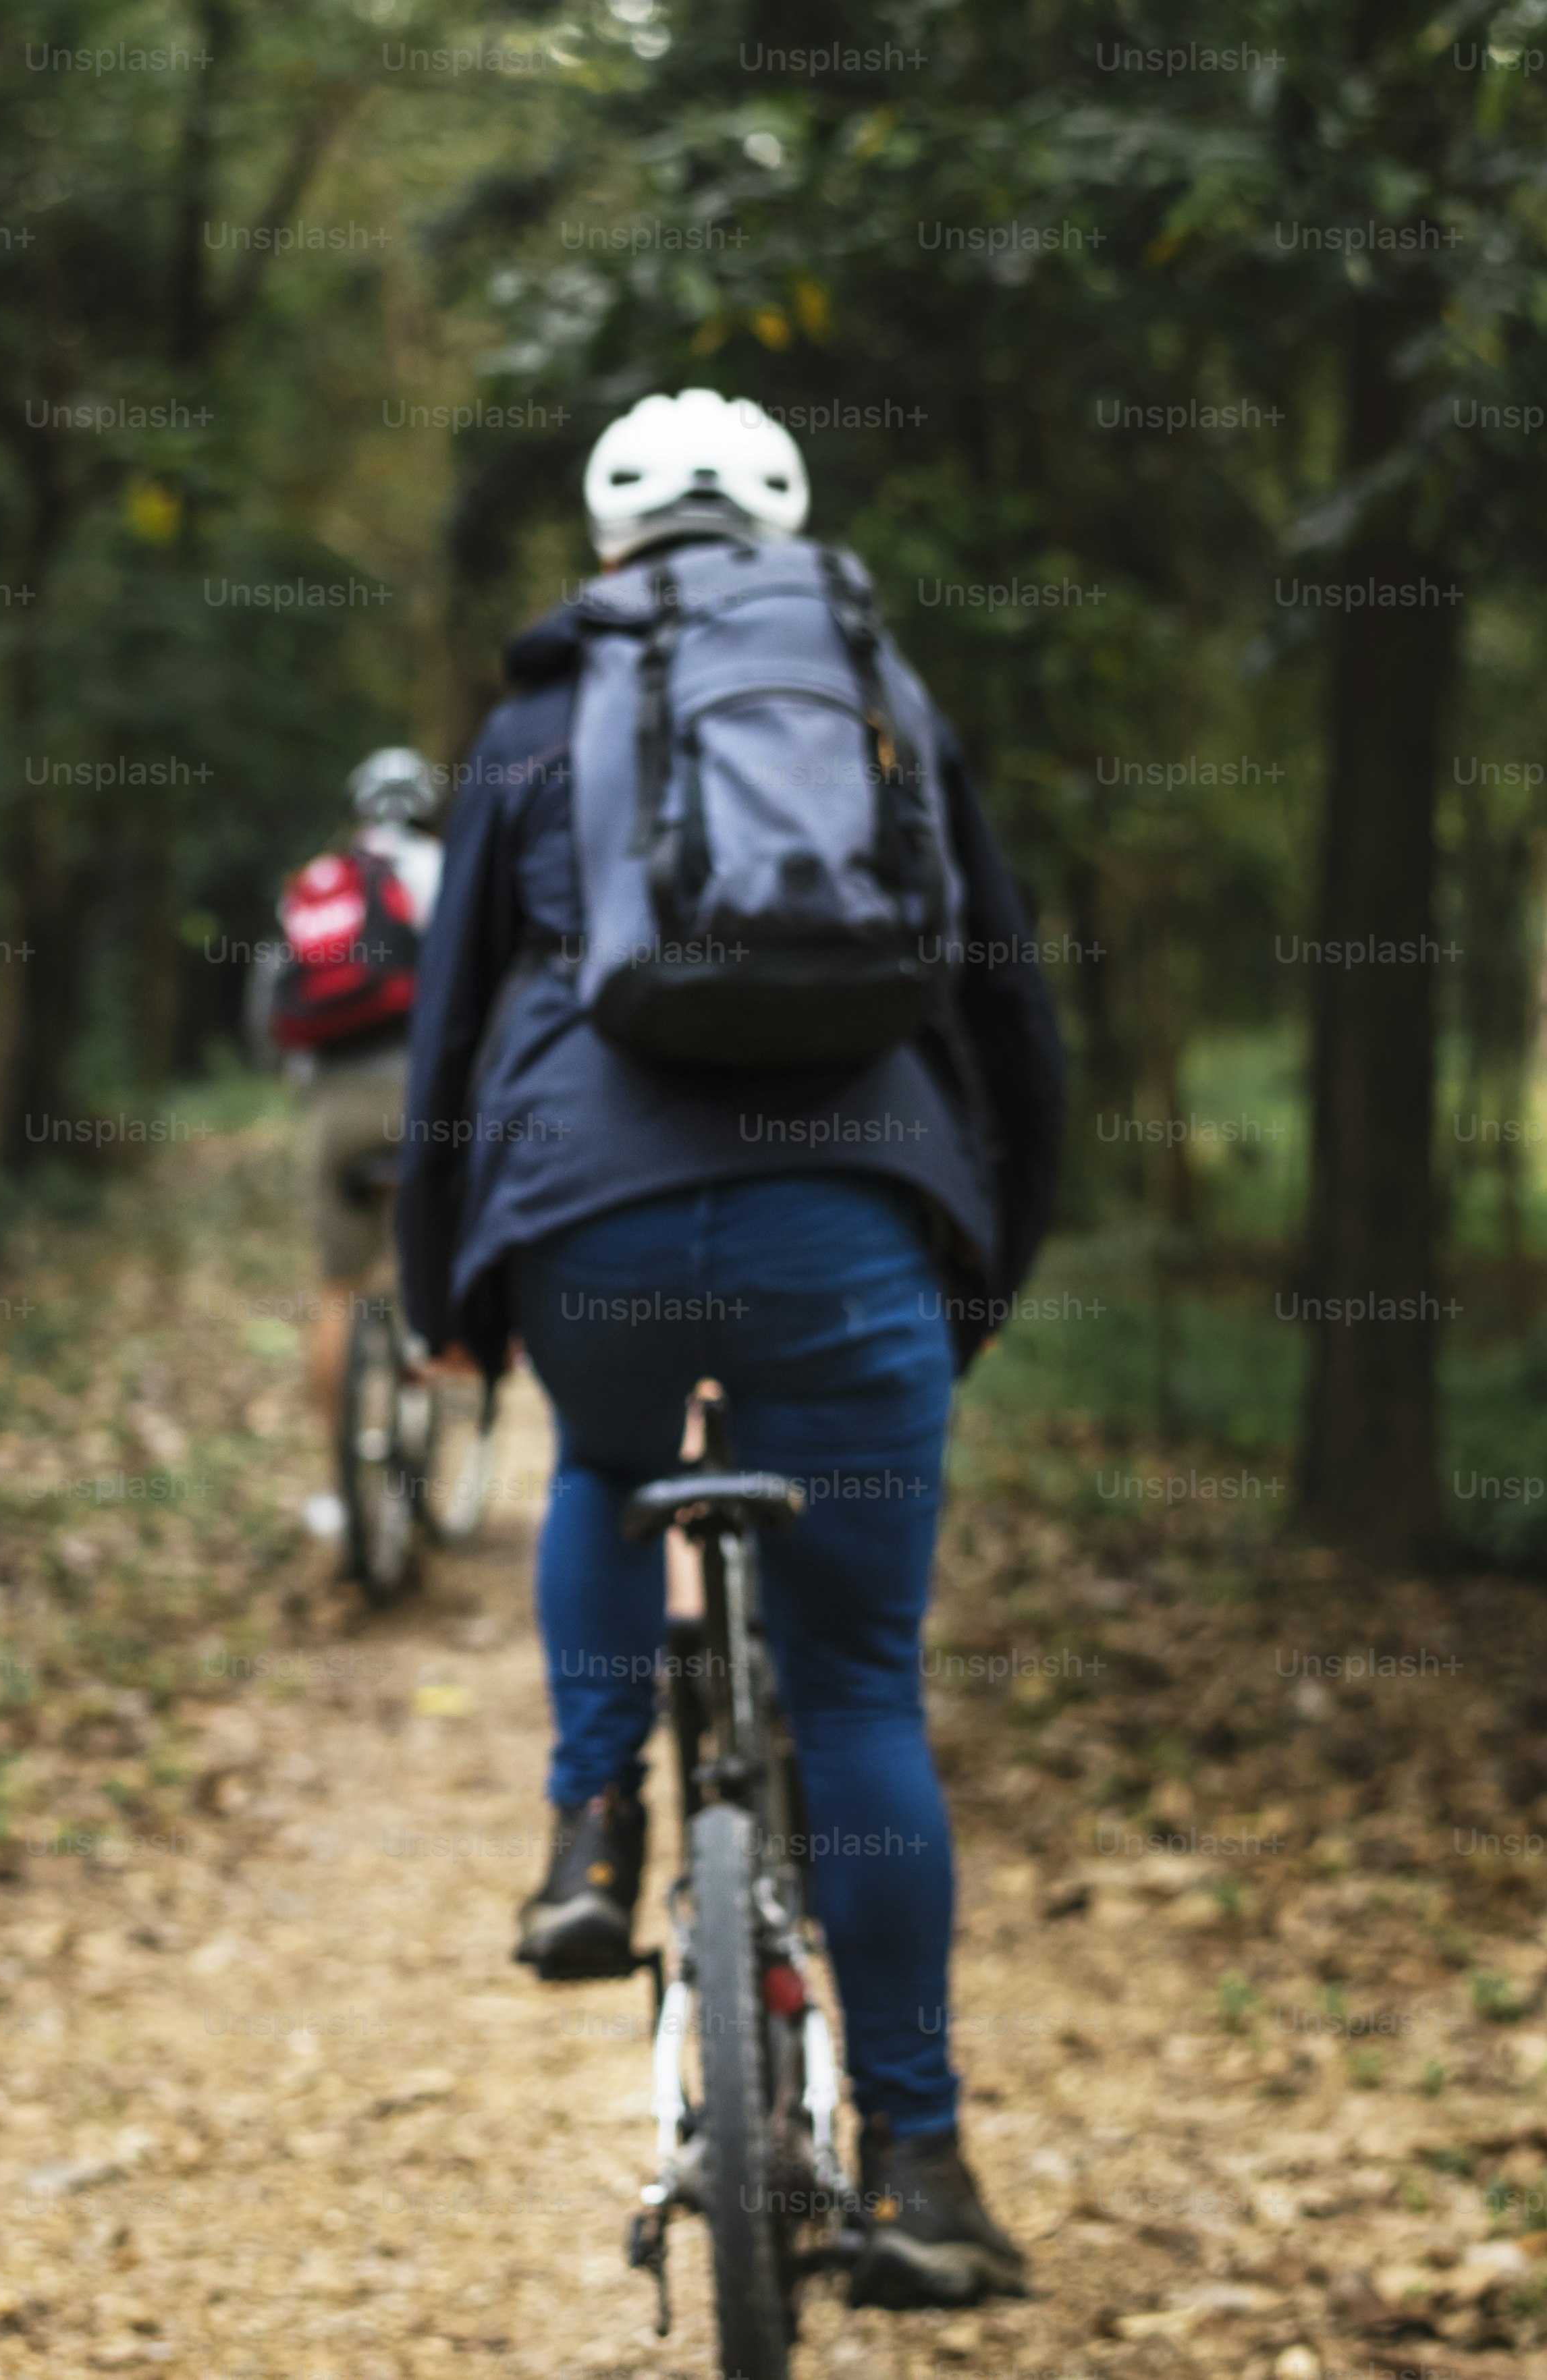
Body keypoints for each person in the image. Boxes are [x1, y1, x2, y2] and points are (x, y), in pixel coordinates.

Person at [394, 389, 1065, 2308]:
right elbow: (1008, 1013)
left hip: (586, 1214)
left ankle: (592, 1824)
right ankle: (922, 2163)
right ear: (783, 531)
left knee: (607, 1464)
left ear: (613, 547)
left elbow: (447, 1036)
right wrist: (973, 1267)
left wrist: (451, 1293)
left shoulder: (535, 716)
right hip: (853, 1209)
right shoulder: (881, 696)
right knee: (858, 1689)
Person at [250, 745, 447, 1531]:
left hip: (330, 1100)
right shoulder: (441, 868)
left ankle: (339, 1488)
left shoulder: (315, 881)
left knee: (338, 1286)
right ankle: (424, 1433)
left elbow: (268, 1001)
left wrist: (300, 1084)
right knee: (425, 1265)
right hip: (420, 1093)